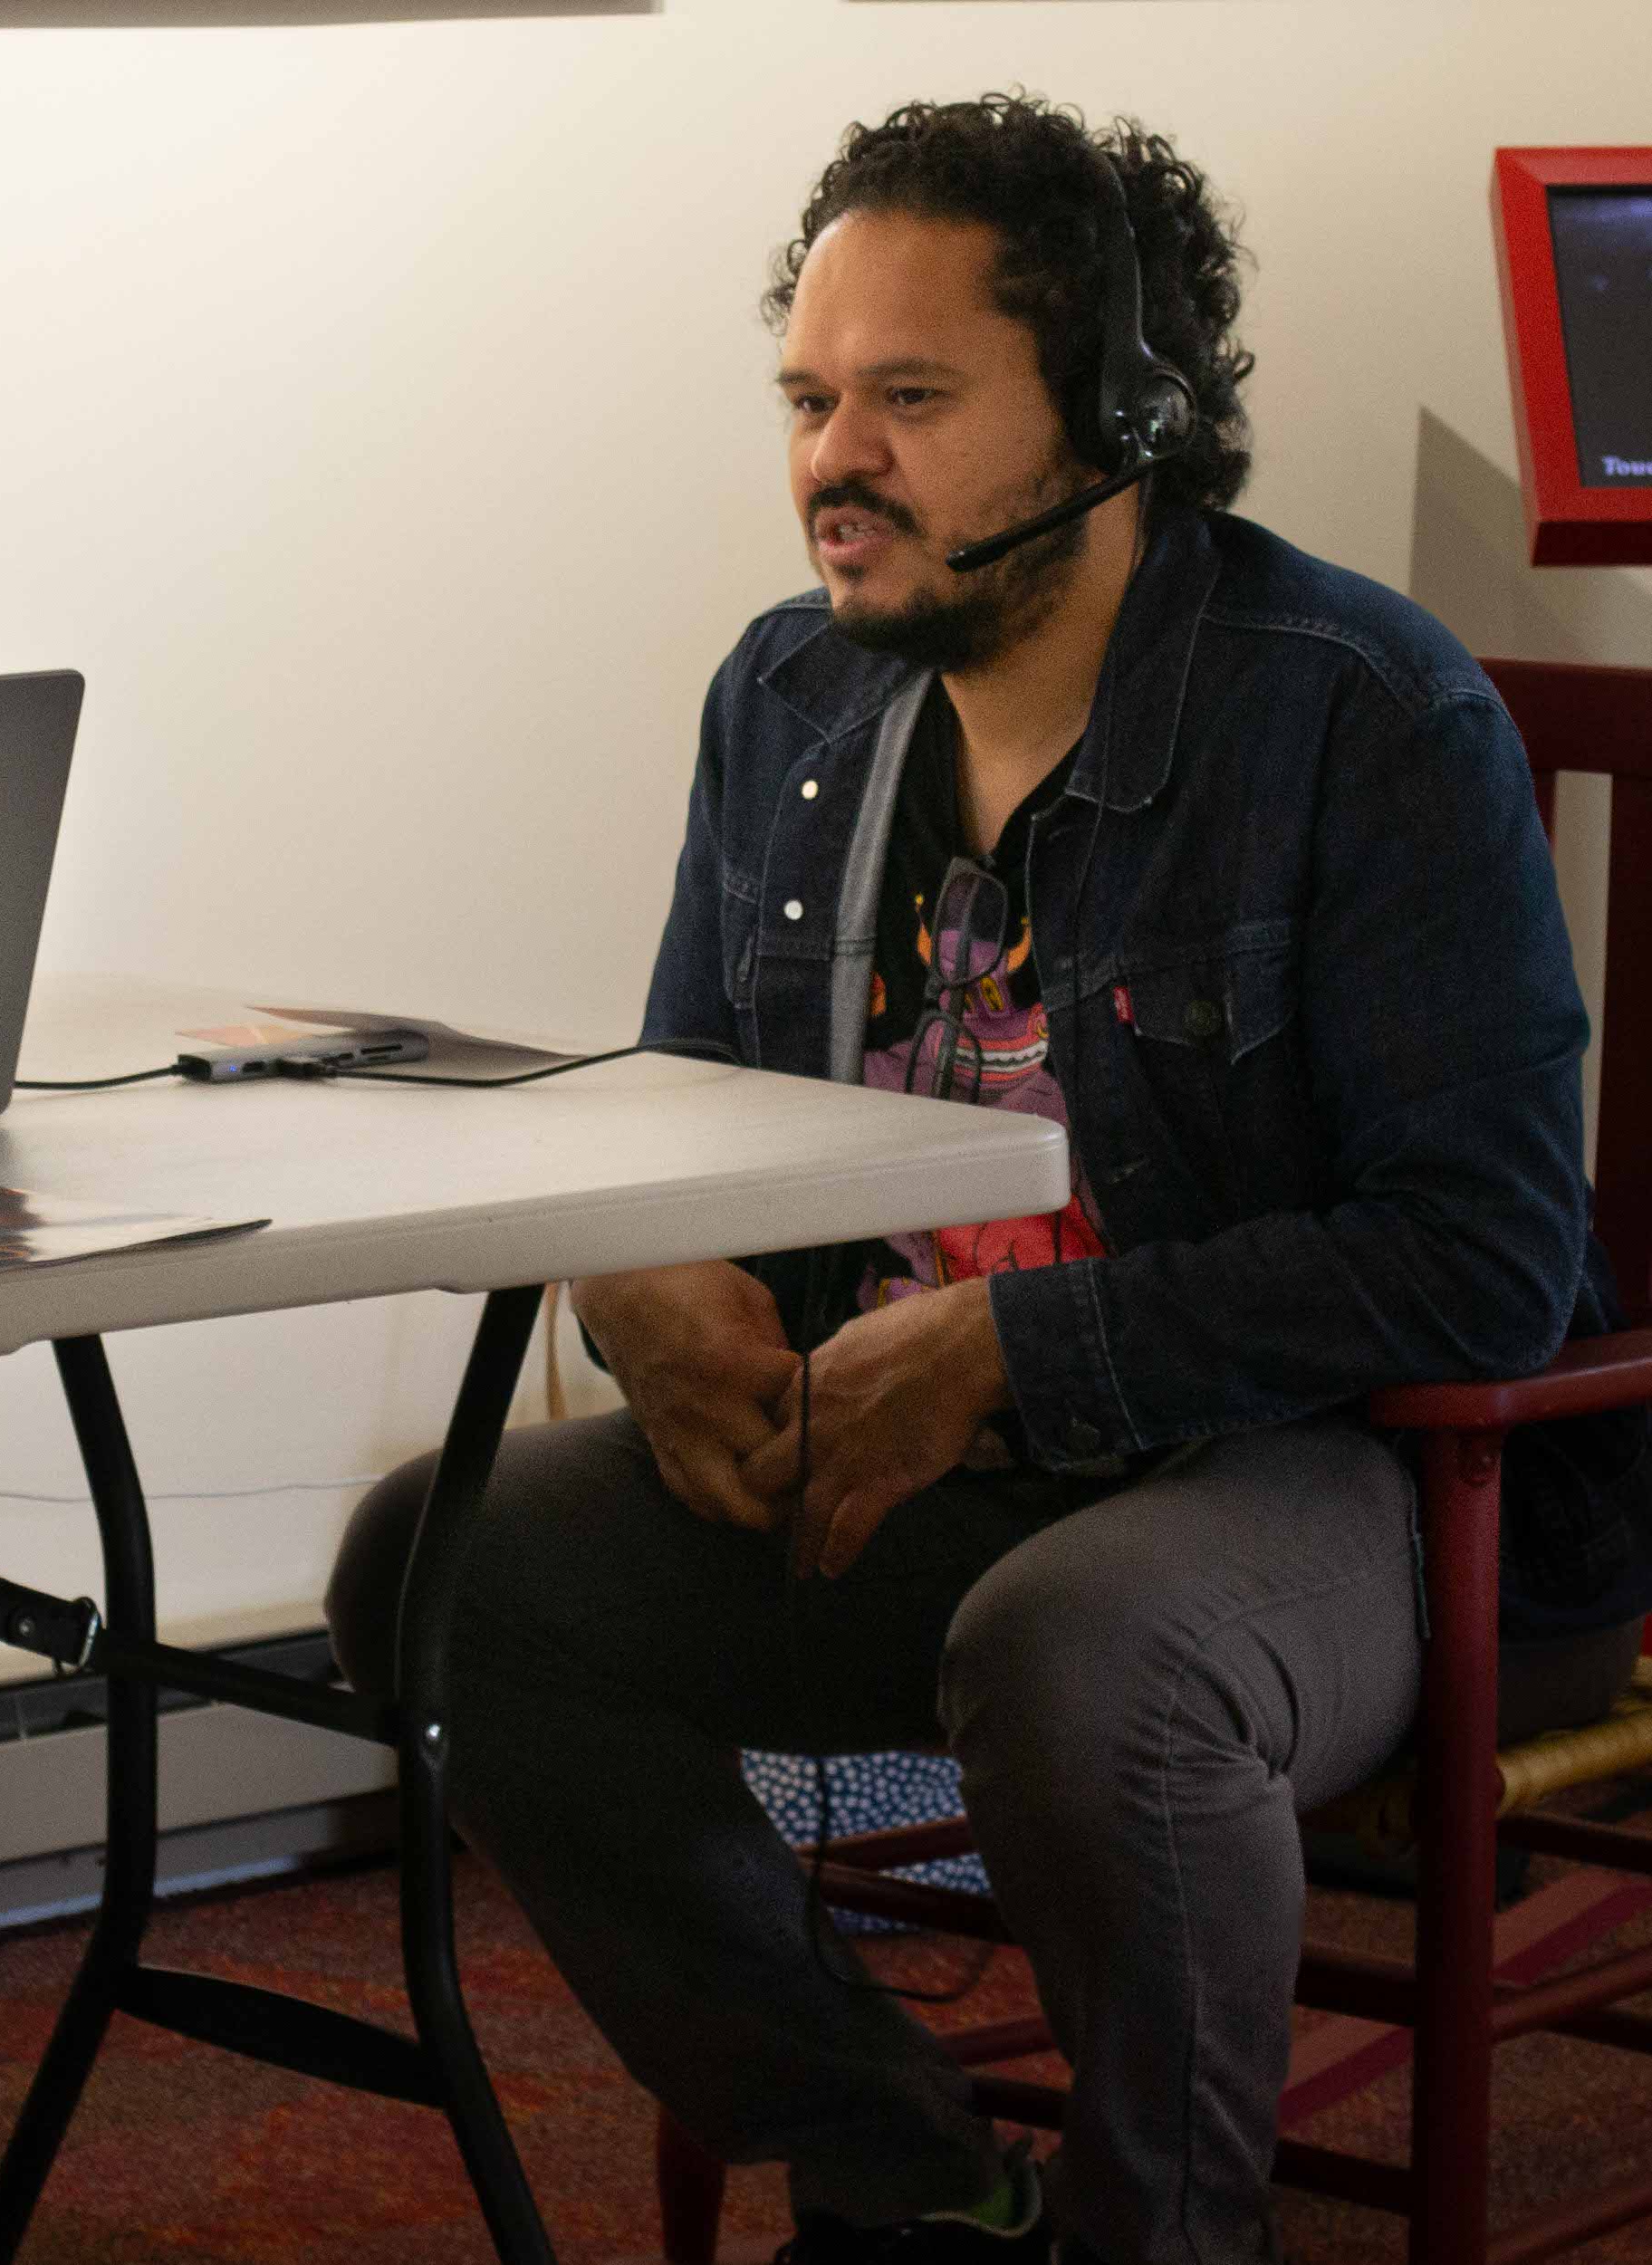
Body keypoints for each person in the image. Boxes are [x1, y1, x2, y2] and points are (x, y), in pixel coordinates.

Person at [325, 94, 1652, 2265]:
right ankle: (911, 2180)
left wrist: (1019, 1350)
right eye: (808, 401)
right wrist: (635, 1283)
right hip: (936, 1472)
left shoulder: (1356, 712)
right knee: (439, 1561)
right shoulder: (786, 696)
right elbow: (682, 1116)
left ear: (1126, 415)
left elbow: (1486, 1256)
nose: (834, 462)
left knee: (1080, 1653)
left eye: (912, 401)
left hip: (1367, 1479)